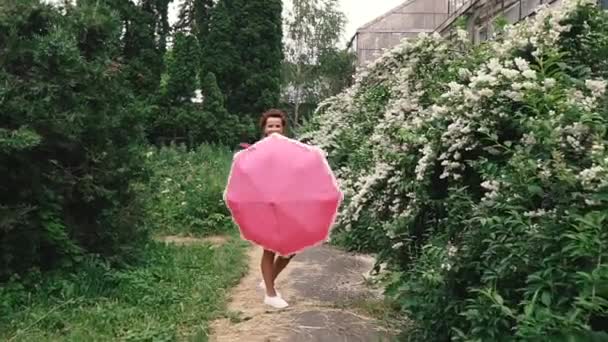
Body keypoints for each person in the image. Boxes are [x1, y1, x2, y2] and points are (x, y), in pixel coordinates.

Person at [255, 109, 294, 309]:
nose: (274, 129)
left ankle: (267, 280)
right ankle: (270, 293)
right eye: (270, 126)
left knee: (291, 249)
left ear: (283, 128)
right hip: (266, 204)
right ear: (264, 128)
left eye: (277, 126)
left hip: (286, 204)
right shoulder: (258, 150)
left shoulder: (290, 149)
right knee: (269, 248)